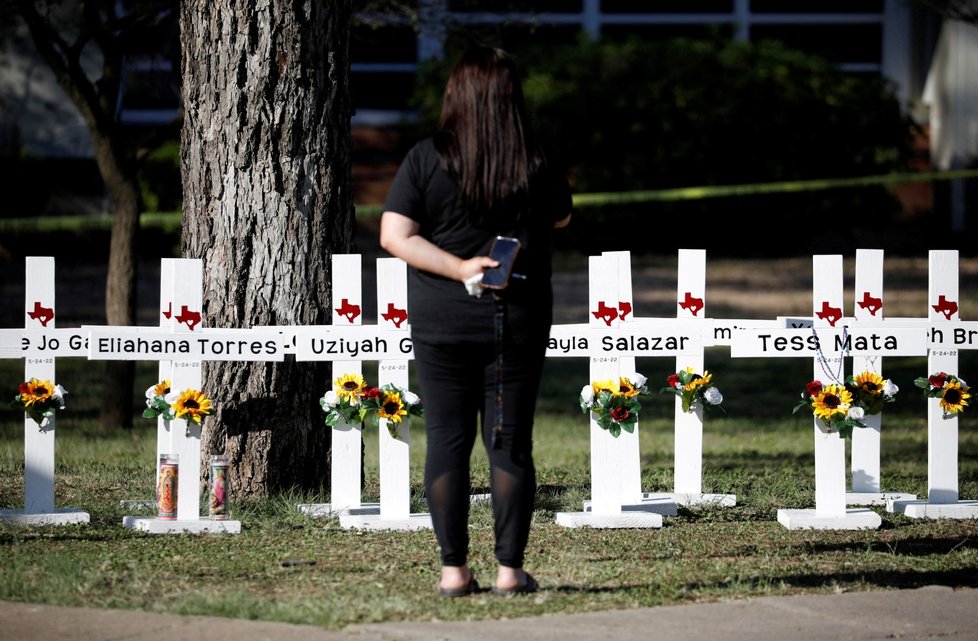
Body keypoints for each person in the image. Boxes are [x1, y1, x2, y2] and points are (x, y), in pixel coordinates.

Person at [379, 45, 572, 598]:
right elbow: (560, 216)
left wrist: (458, 264)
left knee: (446, 440)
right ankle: (511, 571)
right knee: (509, 444)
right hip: (514, 321)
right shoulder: (536, 159)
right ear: (512, 98)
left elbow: (396, 235)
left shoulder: (424, 158)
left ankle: (453, 571)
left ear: (454, 95)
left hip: (442, 324)